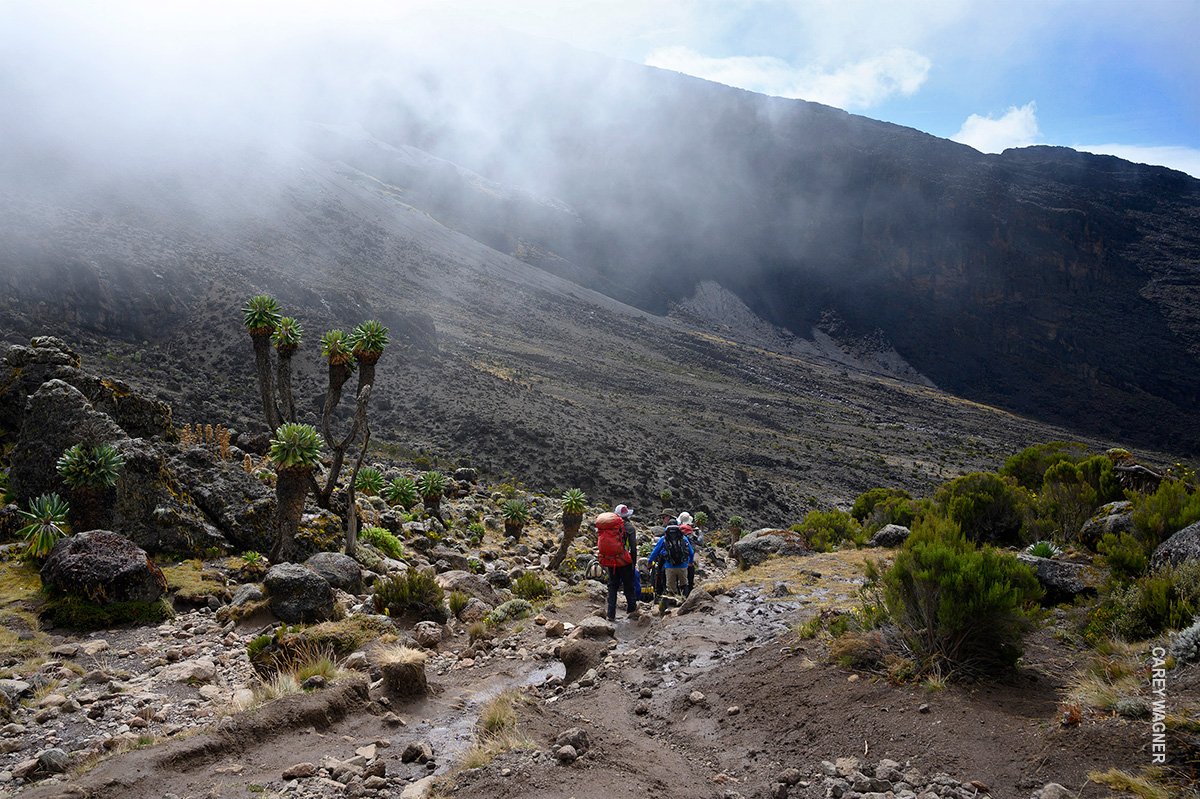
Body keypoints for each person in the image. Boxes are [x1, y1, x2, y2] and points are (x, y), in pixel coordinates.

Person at [602, 504, 639, 622]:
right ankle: (632, 610)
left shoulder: (609, 527)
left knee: (612, 586)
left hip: (610, 560)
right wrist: (633, 563)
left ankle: (610, 614)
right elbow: (633, 548)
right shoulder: (629, 527)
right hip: (624, 561)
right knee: (629, 585)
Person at [648, 519, 694, 597]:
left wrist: (649, 562)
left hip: (669, 566)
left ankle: (673, 603)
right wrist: (690, 561)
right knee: (684, 584)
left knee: (671, 588)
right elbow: (691, 552)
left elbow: (655, 552)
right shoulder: (683, 538)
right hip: (683, 566)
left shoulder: (663, 539)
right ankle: (684, 600)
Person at [677, 511, 700, 595]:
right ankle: (688, 593)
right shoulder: (689, 532)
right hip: (687, 559)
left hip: (677, 559)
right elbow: (699, 542)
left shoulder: (677, 529)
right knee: (689, 577)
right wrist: (700, 532)